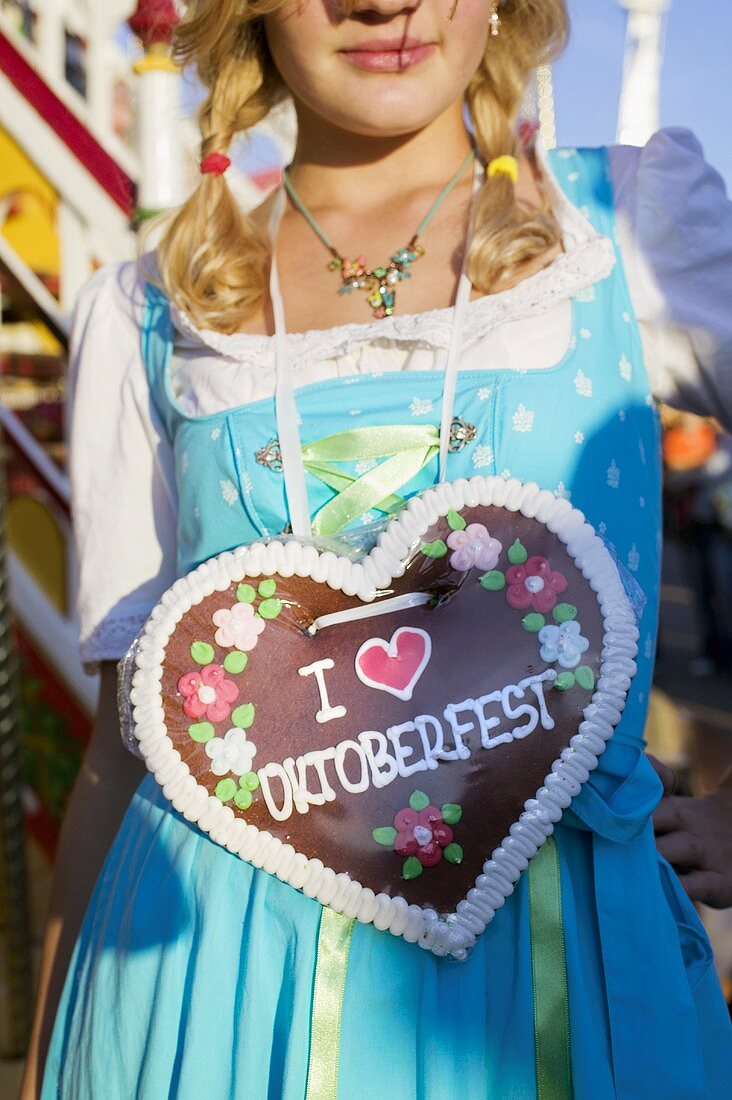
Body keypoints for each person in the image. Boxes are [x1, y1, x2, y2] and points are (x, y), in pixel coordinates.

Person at [23, 1, 732, 1096]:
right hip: (218, 995)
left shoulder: (626, 224)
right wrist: (46, 1060)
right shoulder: (149, 312)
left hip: (559, 978)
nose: (382, 3)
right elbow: (130, 741)